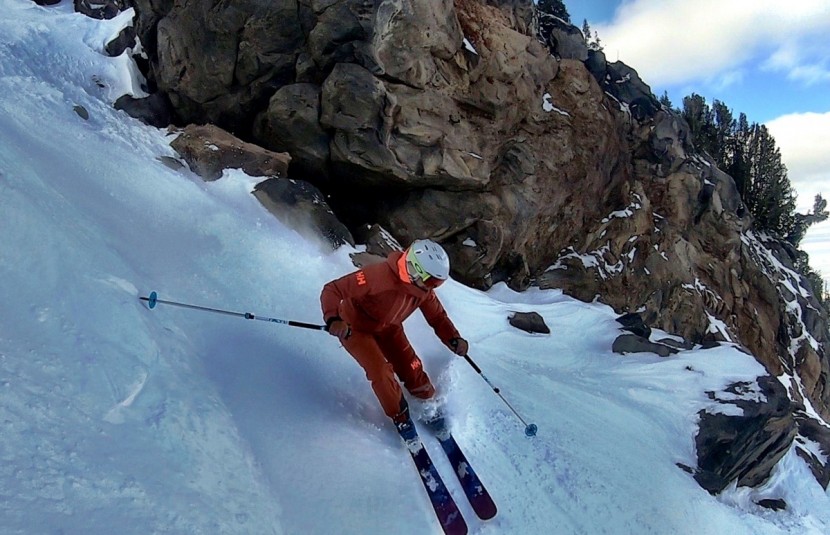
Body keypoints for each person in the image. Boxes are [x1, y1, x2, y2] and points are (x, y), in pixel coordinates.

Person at [320, 239, 469, 440]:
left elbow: (437, 317)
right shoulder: (378, 276)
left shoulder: (422, 290)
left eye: (436, 283)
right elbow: (333, 289)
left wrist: (453, 338)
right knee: (381, 372)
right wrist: (333, 319)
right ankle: (400, 415)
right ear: (415, 269)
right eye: (430, 282)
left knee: (412, 366)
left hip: (389, 328)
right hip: (354, 328)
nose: (431, 287)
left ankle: (426, 404)